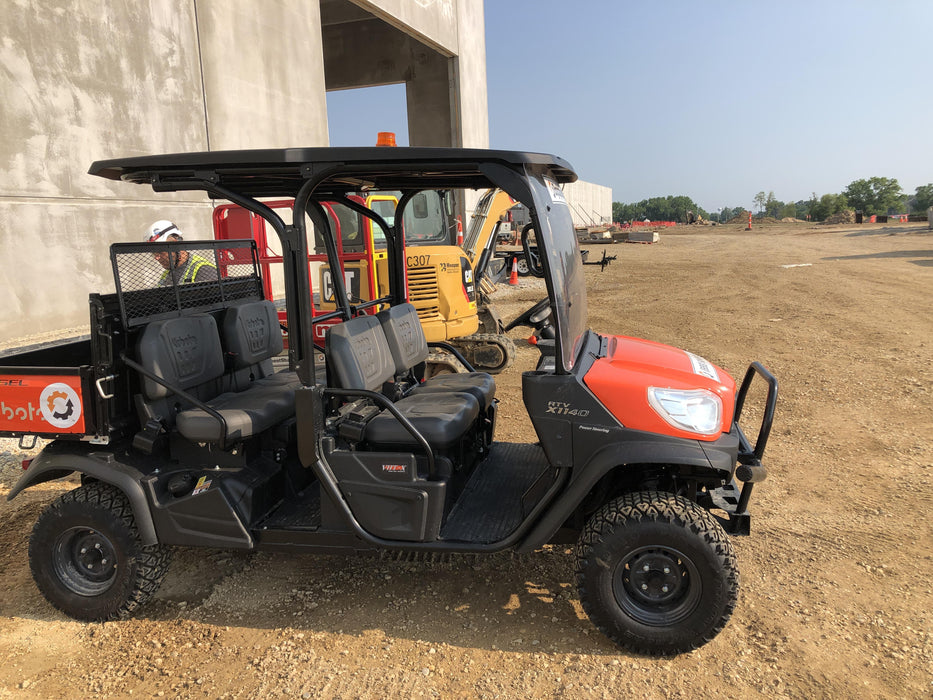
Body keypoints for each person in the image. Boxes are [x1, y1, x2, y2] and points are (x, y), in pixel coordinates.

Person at [144, 220, 218, 286]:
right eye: (153, 253)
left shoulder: (204, 271)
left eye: (160, 251)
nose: (156, 258)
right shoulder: (166, 275)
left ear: (175, 245)